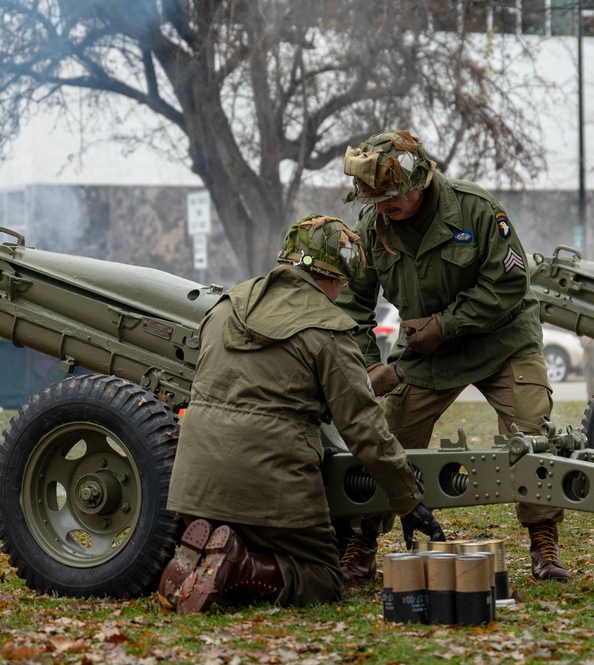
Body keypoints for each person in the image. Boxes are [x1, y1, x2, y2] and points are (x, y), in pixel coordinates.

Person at [158, 215, 445, 615]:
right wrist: (408, 500)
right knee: (320, 578)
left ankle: (209, 551)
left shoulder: (226, 306)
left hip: (193, 487)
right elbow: (364, 427)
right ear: (334, 277)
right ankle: (239, 563)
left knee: (241, 531)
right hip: (270, 486)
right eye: (343, 282)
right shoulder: (328, 330)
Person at [336, 129, 570, 583]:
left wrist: (446, 325)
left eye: (392, 198)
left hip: (502, 340)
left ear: (420, 181)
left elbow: (508, 283)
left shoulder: (477, 209)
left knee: (530, 428)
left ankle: (543, 539)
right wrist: (369, 364)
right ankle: (363, 540)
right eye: (374, 200)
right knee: (386, 439)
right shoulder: (372, 227)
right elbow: (352, 307)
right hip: (425, 352)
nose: (383, 208)